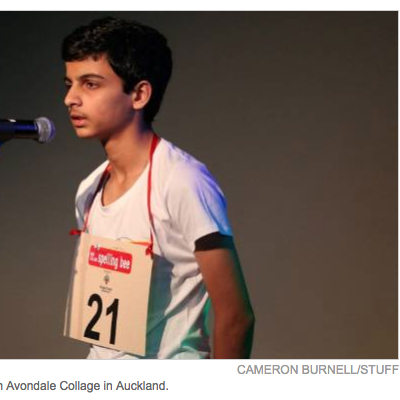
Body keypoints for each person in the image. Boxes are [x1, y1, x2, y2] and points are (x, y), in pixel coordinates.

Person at [62, 17, 255, 359]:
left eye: (90, 84)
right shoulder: (89, 189)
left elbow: (236, 317)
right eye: (69, 84)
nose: (70, 99)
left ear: (139, 94)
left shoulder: (183, 181)